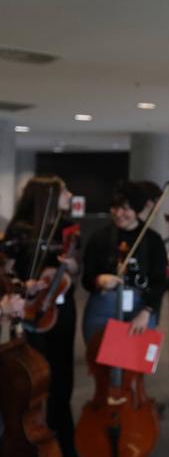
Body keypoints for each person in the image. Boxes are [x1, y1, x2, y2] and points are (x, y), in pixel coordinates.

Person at [2, 176, 79, 457]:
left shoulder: (64, 228)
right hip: (28, 311)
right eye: (63, 191)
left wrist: (70, 266)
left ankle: (64, 442)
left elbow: (74, 271)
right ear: (46, 197)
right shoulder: (20, 230)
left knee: (61, 380)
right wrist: (24, 286)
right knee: (30, 383)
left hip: (60, 311)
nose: (69, 194)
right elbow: (6, 272)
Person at [81, 181, 167, 342]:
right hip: (103, 307)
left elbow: (160, 282)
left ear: (137, 209)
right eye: (115, 207)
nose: (118, 213)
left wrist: (146, 312)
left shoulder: (153, 240)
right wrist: (99, 280)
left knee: (135, 364)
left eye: (125, 208)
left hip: (141, 309)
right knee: (99, 362)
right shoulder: (99, 238)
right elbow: (86, 279)